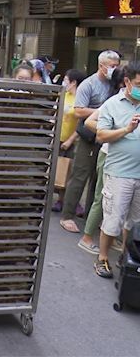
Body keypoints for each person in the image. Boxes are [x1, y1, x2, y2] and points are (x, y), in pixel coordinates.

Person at [59, 50, 120, 234]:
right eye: (111, 66)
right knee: (80, 175)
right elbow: (78, 111)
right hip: (88, 137)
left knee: (98, 178)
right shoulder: (89, 84)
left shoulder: (114, 84)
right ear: (101, 65)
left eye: (117, 65)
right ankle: (67, 215)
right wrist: (102, 110)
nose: (114, 69)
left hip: (107, 136)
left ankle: (90, 217)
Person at [94, 61, 140, 278]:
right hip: (119, 173)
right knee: (113, 219)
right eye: (139, 83)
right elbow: (101, 135)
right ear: (127, 81)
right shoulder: (112, 104)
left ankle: (126, 258)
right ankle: (102, 258)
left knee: (134, 222)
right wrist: (126, 129)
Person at [78, 67, 126, 255]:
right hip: (109, 155)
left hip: (128, 161)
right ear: (127, 82)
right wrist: (115, 132)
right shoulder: (113, 101)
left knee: (121, 203)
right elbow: (89, 122)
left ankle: (111, 238)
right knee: (102, 197)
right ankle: (87, 237)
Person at [52, 69, 86, 212]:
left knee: (72, 172)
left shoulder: (80, 99)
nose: (64, 82)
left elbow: (81, 124)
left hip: (73, 141)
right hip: (58, 138)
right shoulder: (63, 95)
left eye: (66, 80)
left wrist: (71, 140)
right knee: (60, 171)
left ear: (74, 82)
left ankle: (73, 202)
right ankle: (60, 200)